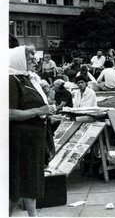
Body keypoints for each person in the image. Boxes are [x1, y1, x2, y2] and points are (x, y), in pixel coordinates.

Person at [9, 45, 55, 216]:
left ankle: (32, 215)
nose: (35, 60)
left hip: (32, 139)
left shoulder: (26, 78)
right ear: (19, 60)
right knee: (18, 185)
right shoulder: (11, 80)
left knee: (30, 182)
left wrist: (47, 112)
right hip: (21, 141)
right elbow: (8, 113)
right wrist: (39, 111)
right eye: (30, 57)